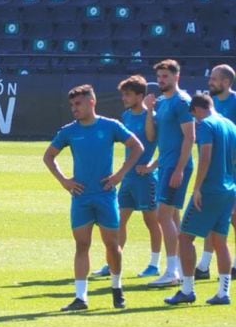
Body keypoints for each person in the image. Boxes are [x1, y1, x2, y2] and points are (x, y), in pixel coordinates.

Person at [42, 85, 143, 312]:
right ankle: (81, 297)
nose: (74, 108)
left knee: (112, 245)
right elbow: (49, 156)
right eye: (72, 105)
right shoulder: (69, 131)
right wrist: (64, 181)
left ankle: (116, 287)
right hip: (81, 197)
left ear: (92, 102)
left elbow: (137, 147)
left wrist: (119, 175)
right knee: (82, 245)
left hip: (105, 195)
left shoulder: (110, 126)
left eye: (78, 104)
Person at [164, 95, 236, 306]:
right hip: (228, 190)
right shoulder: (230, 125)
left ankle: (187, 290)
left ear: (196, 109)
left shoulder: (206, 125)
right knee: (220, 241)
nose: (194, 120)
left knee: (185, 237)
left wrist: (197, 188)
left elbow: (205, 157)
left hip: (210, 190)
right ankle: (223, 293)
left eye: (193, 115)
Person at [95, 76, 162, 278]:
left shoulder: (153, 117)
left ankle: (154, 265)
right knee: (118, 221)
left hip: (145, 179)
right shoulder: (126, 116)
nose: (124, 98)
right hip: (128, 178)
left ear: (140, 96)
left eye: (128, 94)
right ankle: (113, 262)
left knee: (152, 222)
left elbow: (152, 139)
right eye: (123, 94)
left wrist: (150, 167)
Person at [144, 59, 196, 287]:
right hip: (166, 165)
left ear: (177, 77)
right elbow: (151, 136)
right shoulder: (163, 102)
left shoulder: (182, 102)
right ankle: (181, 270)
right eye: (159, 77)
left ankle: (172, 271)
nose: (161, 80)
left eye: (165, 76)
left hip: (176, 167)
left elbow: (190, 137)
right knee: (172, 217)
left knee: (162, 216)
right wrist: (149, 111)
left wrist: (179, 169)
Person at [199, 63, 236, 278]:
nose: (210, 82)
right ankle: (204, 265)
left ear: (226, 82)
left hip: (232, 170)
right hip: (215, 170)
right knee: (212, 215)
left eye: (214, 78)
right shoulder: (211, 104)